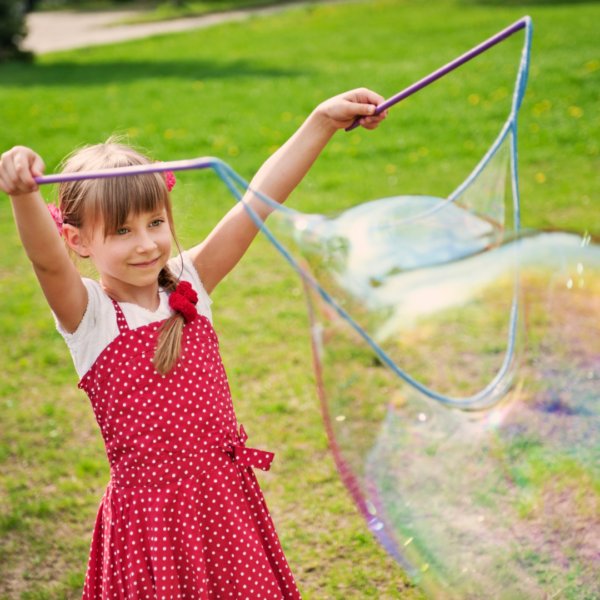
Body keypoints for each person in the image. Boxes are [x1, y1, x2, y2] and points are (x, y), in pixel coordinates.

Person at [0, 88, 387, 599]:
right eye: (121, 231)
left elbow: (256, 203)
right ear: (78, 241)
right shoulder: (89, 316)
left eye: (156, 223)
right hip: (153, 521)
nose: (146, 243)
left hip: (225, 500)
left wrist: (320, 121)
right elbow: (47, 262)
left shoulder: (189, 282)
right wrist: (24, 195)